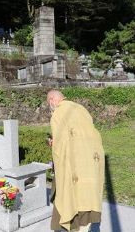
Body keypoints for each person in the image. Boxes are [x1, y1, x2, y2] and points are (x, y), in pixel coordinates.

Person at [47, 90, 105, 232]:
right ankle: (86, 225)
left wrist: (53, 143)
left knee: (67, 194)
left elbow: (60, 147)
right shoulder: (81, 109)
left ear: (52, 100)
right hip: (89, 161)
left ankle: (70, 225)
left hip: (72, 164)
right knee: (86, 193)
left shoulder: (59, 113)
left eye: (49, 103)